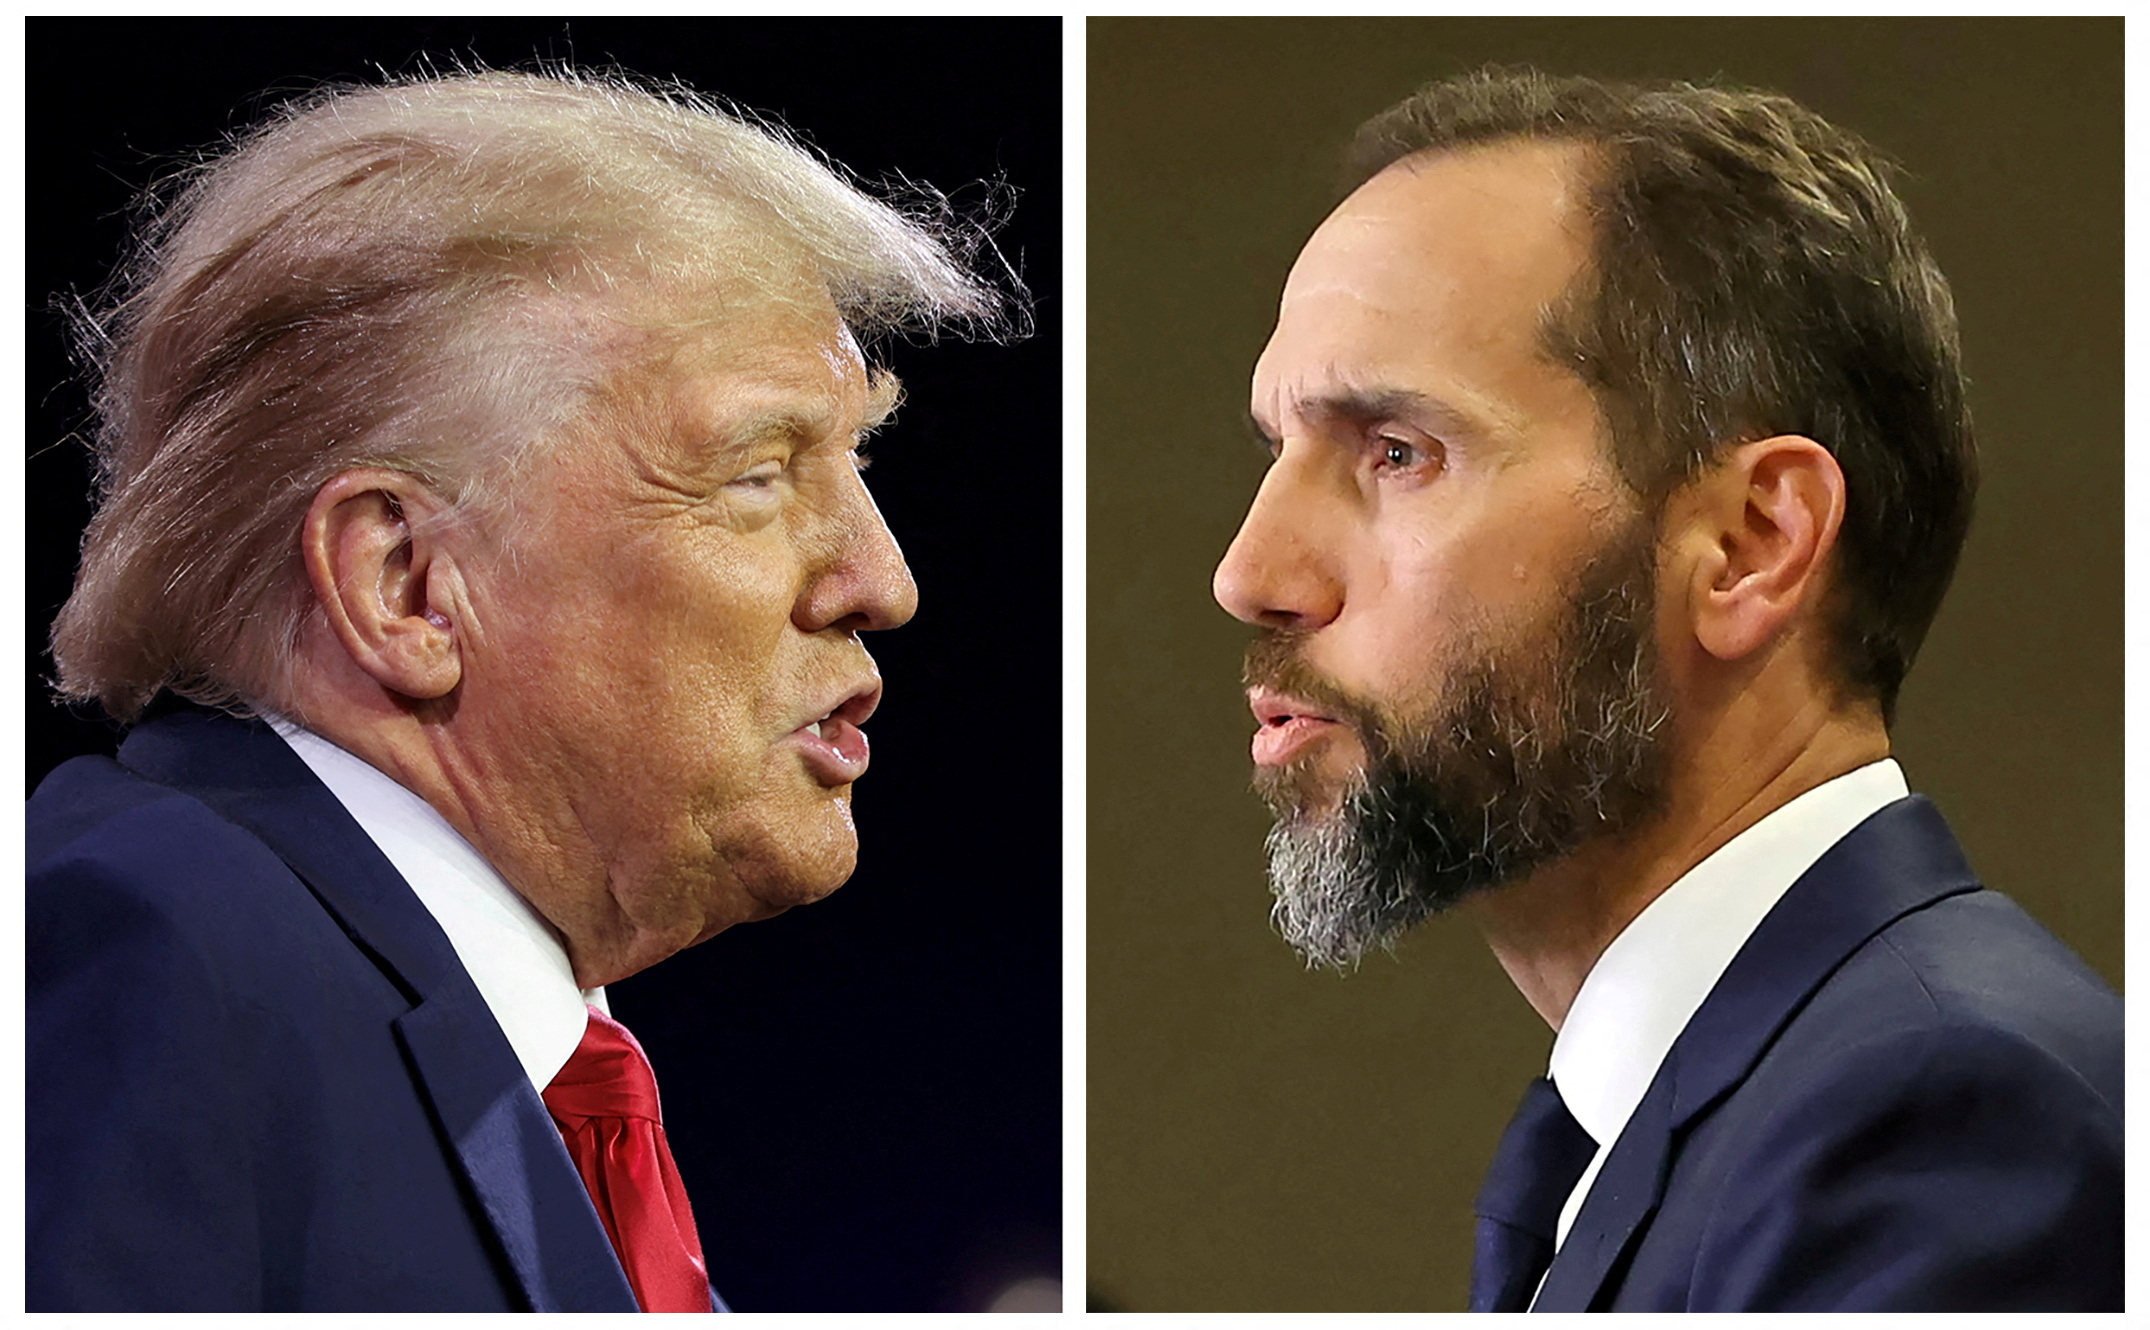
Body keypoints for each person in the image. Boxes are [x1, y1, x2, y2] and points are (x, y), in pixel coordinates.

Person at [28, 69, 1008, 1312]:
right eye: (758, 475)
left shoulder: (497, 1052)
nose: (882, 580)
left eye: (853, 463)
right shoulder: (147, 942)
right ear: (407, 586)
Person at [1212, 68, 2120, 1312]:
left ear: (1752, 543)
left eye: (1395, 452)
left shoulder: (1940, 1118)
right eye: (1279, 450)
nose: (1250, 574)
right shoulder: (1687, 1114)